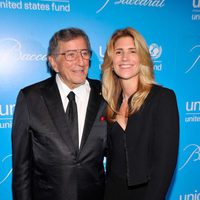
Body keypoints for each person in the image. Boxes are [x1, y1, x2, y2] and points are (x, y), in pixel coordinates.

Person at [12, 27, 107, 200]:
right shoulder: (31, 98)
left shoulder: (106, 94)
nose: (80, 61)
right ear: (53, 62)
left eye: (84, 53)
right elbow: (21, 169)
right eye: (70, 54)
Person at [101, 27, 179, 200]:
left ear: (142, 58)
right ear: (111, 61)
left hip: (147, 194)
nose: (125, 58)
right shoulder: (108, 103)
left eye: (132, 51)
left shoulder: (162, 98)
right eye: (119, 52)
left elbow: (165, 165)